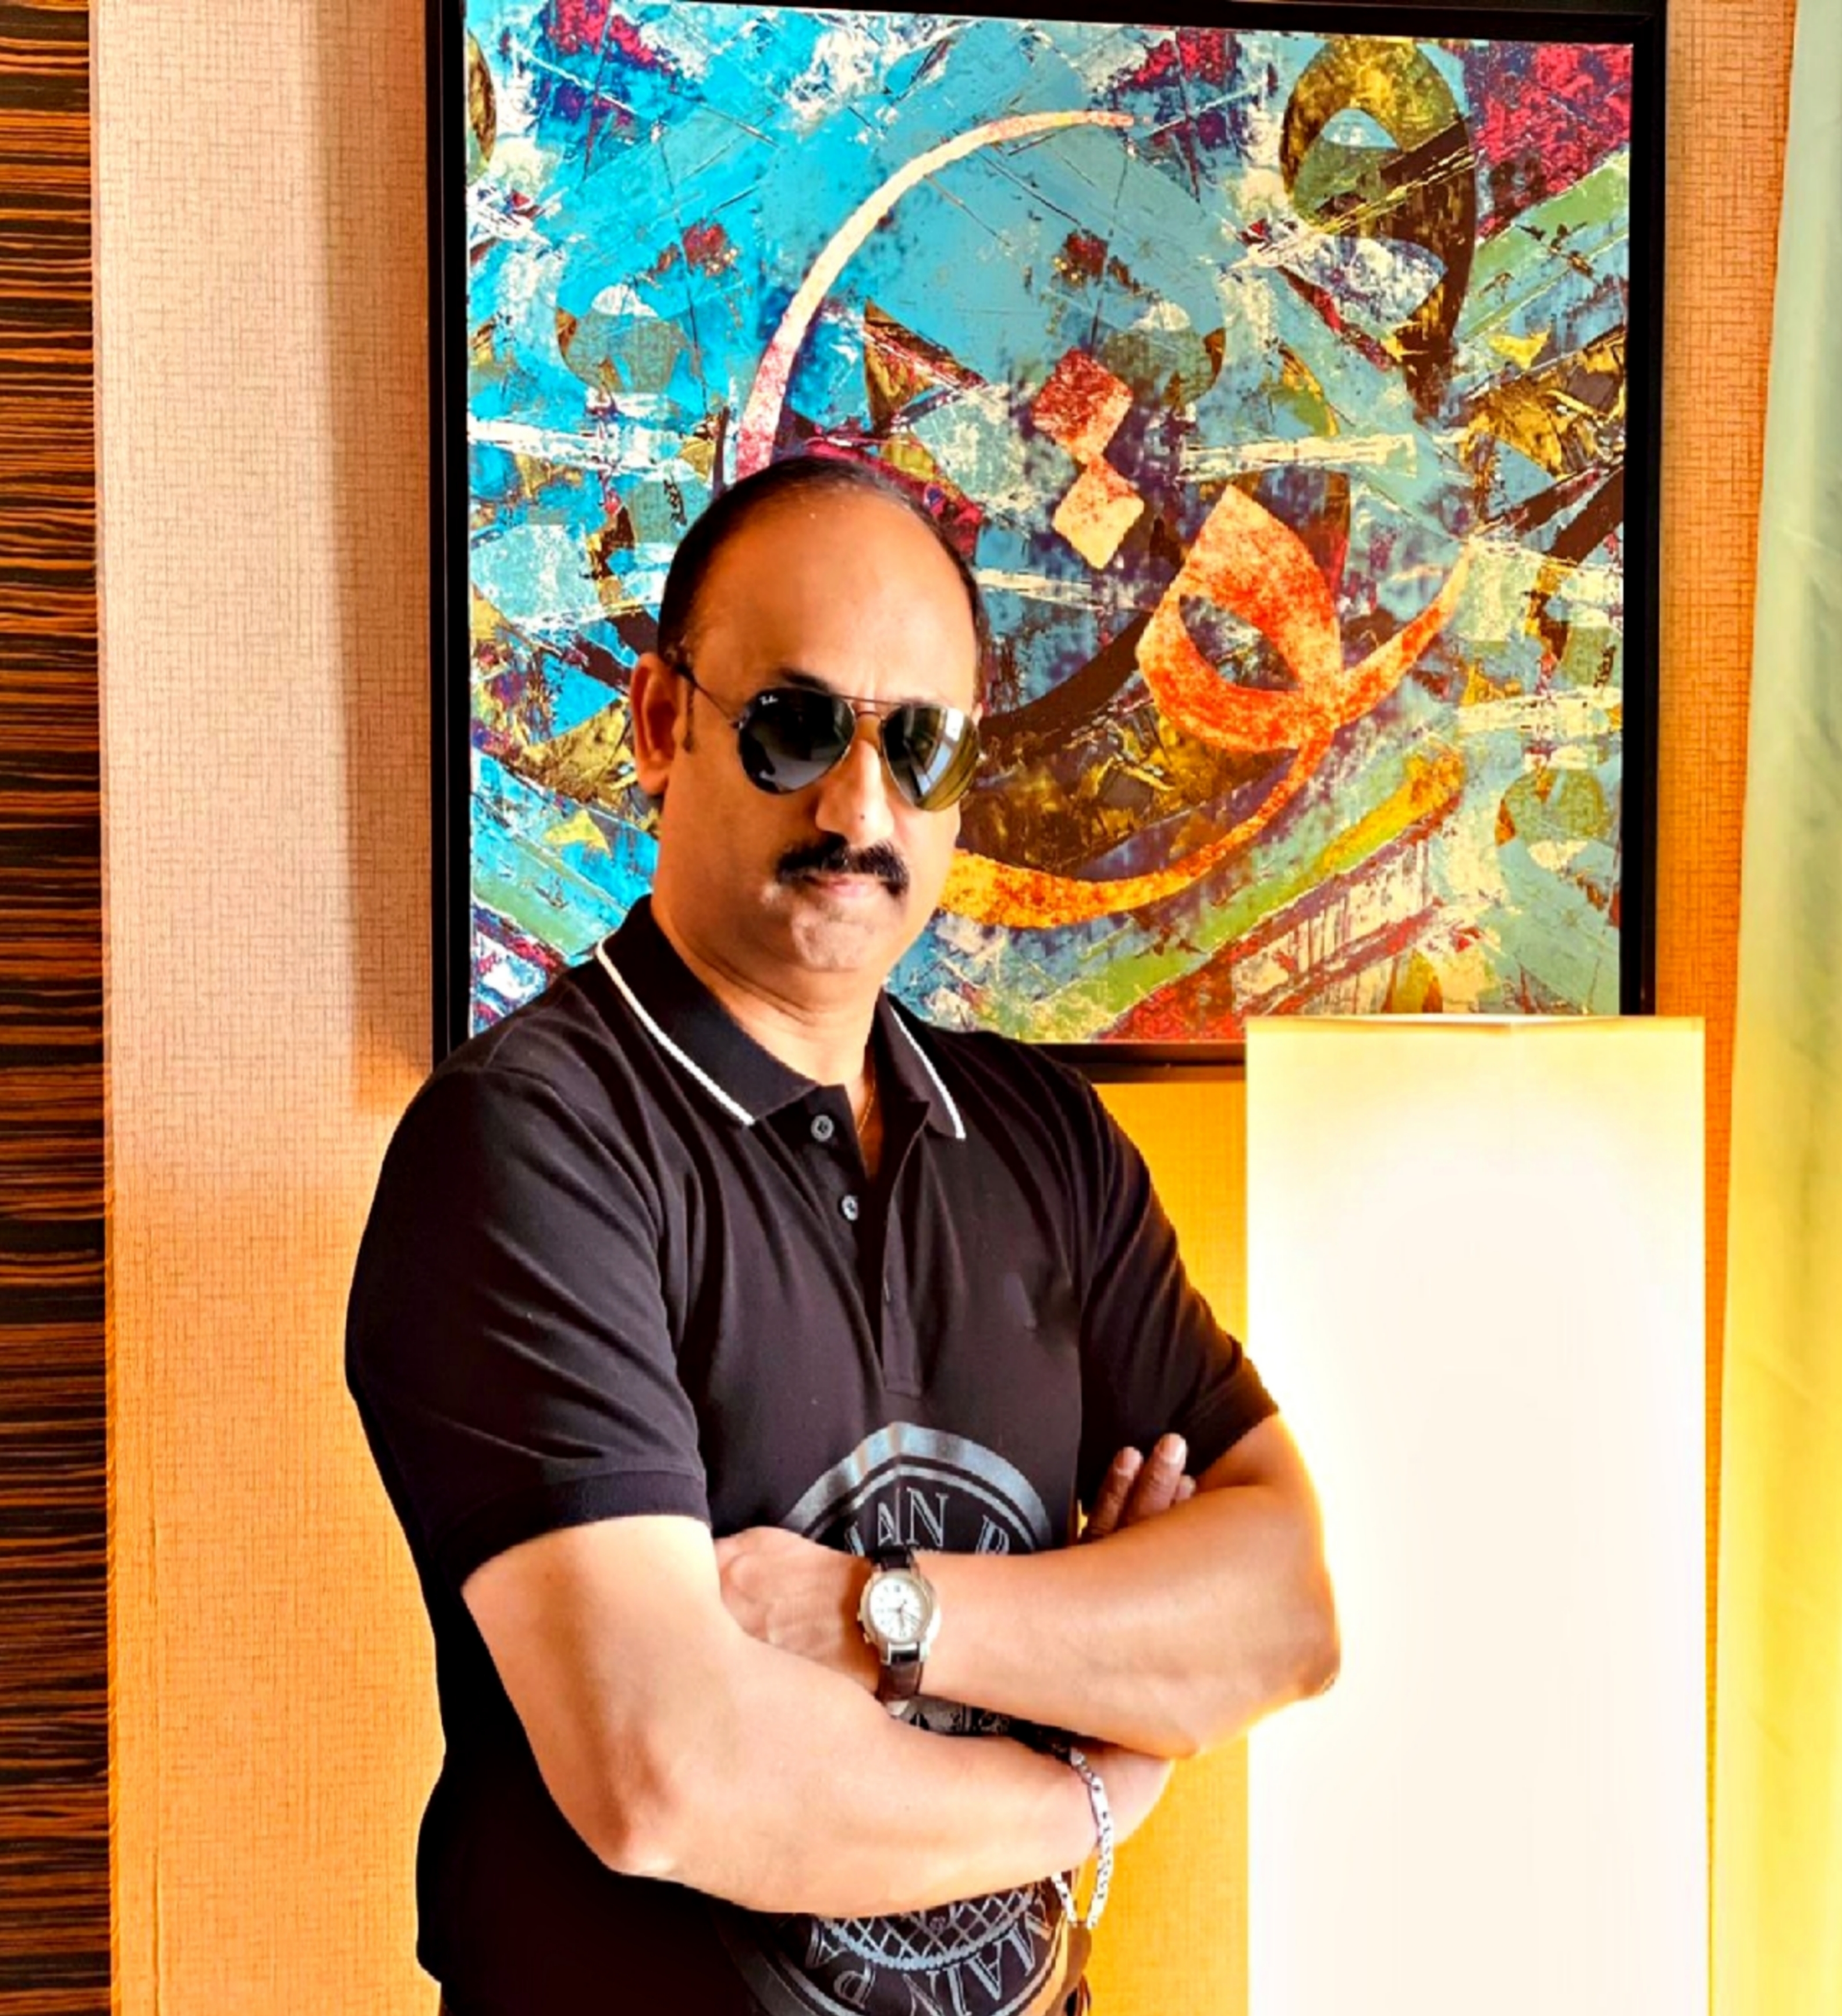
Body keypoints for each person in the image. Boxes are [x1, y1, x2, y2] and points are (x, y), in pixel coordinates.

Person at [346, 456, 1339, 2016]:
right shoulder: (529, 1149)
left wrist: (880, 1615)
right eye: (796, 725)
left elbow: (1282, 1610)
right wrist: (1092, 1787)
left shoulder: (1048, 1142)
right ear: (662, 723)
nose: (860, 808)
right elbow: (670, 1775)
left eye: (919, 744)